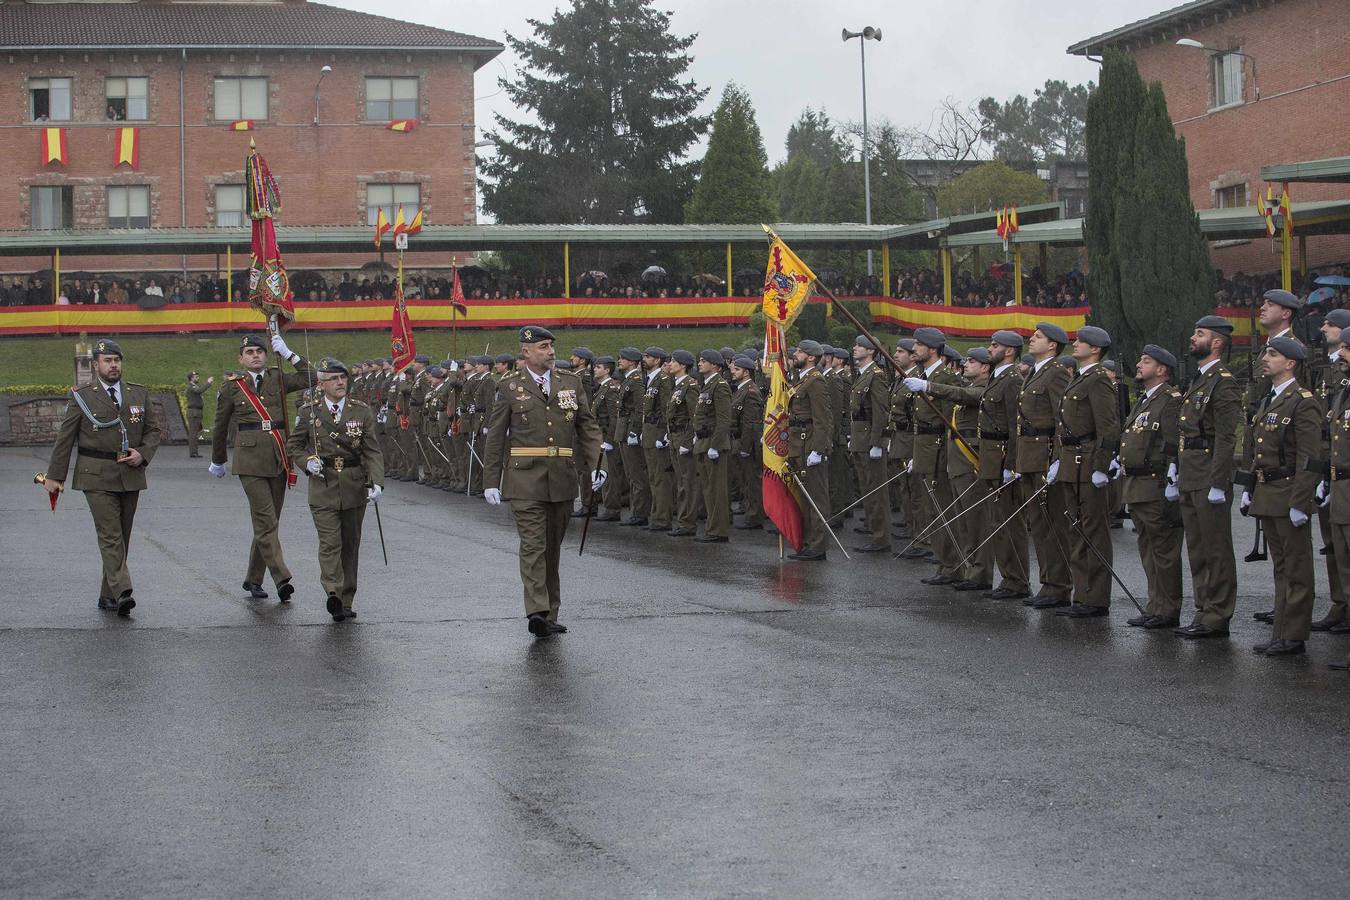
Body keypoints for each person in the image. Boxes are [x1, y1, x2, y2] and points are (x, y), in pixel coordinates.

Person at [482, 326, 605, 637]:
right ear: (526, 352)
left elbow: (587, 427)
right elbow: (496, 437)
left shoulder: (571, 382)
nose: (550, 352)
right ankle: (536, 610)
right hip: (525, 479)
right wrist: (490, 480)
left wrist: (597, 465)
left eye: (551, 346)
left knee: (552, 547)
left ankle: (550, 611)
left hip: (562, 476)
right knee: (534, 545)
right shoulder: (509, 387)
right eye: (543, 347)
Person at [43, 338, 162, 616]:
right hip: (95, 474)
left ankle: (108, 595)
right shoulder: (82, 395)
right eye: (107, 361)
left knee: (122, 536)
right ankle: (123, 591)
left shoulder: (137, 393)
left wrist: (142, 454)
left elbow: (153, 431)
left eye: (117, 360)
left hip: (130, 473)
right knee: (110, 535)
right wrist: (55, 476)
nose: (113, 365)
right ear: (95, 365)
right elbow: (65, 438)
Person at [207, 332, 312, 603]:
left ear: (266, 355)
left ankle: (253, 579)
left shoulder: (277, 378)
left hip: (278, 457)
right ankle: (281, 578)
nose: (255, 355)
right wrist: (218, 459)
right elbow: (220, 427)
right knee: (266, 520)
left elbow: (311, 378)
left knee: (269, 523)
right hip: (250, 461)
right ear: (240, 359)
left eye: (259, 351)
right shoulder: (232, 387)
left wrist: (290, 354)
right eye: (249, 352)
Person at [1236, 336, 1323, 656]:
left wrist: (1302, 501)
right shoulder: (1270, 399)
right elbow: (1258, 452)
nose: (1264, 358)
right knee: (1281, 567)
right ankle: (1282, 631)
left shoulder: (1303, 401)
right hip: (1269, 492)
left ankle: (1295, 634)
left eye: (1272, 354)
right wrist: (1250, 488)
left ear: (1290, 363)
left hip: (1289, 493)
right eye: (1265, 353)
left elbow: (1309, 458)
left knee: (1297, 567)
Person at [286, 358, 384, 622]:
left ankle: (347, 598)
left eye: (343, 377)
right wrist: (307, 462)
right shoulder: (309, 412)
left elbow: (372, 450)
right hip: (323, 484)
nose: (340, 383)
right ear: (322, 384)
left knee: (350, 544)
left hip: (354, 484)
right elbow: (294, 445)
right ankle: (333, 592)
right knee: (330, 543)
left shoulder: (360, 411)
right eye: (334, 379)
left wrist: (377, 481)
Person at [1172, 316, 1243, 639]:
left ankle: (1218, 614)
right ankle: (1203, 609)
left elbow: (1226, 438)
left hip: (1208, 474)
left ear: (1216, 343)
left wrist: (1219, 482)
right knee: (1198, 548)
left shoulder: (1222, 382)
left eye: (1199, 334)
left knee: (1216, 549)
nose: (1192, 337)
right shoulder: (1200, 379)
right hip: (1191, 472)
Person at [1048, 325, 1120, 618]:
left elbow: (1108, 426)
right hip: (1071, 460)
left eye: (1081, 342)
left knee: (1093, 530)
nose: (1075, 344)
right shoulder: (1080, 377)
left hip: (1088, 461)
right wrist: (1057, 460)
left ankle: (1097, 597)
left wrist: (1102, 466)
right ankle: (1082, 594)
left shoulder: (1098, 379)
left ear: (1096, 349)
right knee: (1076, 528)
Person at [1120, 345, 1184, 629]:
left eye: (1146, 361)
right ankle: (1155, 604)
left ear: (1161, 370)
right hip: (1137, 484)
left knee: (1164, 550)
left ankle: (1168, 609)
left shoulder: (1169, 400)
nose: (1138, 364)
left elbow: (1172, 442)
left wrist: (1172, 475)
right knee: (1148, 548)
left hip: (1156, 484)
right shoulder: (1145, 400)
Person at [1016, 323, 1074, 608]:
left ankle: (1059, 585)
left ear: (1052, 345)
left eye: (1038, 337)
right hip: (1029, 456)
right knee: (1038, 524)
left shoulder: (1056, 374)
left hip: (1044, 455)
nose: (1031, 339)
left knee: (1052, 524)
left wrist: (1058, 459)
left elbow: (1061, 419)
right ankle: (1048, 583)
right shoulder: (1037, 373)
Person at [786, 340, 833, 561]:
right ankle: (808, 540)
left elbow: (823, 419)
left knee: (816, 497)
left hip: (809, 442)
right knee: (804, 496)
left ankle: (818, 545)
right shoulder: (801, 379)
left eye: (799, 352)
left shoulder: (816, 381)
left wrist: (819, 449)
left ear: (811, 357)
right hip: (798, 442)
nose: (795, 355)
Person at [848, 336, 892, 553]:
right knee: (867, 489)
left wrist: (878, 442)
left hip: (869, 440)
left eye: (859, 346)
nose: (854, 349)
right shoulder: (863, 374)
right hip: (859, 439)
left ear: (871, 351)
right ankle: (875, 532)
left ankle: (881, 537)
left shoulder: (876, 376)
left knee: (876, 491)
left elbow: (881, 412)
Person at [691, 349, 732, 543]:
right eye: (699, 361)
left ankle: (718, 530)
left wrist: (715, 445)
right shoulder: (707, 385)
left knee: (716, 490)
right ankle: (712, 527)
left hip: (713, 444)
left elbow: (724, 420)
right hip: (704, 442)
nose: (699, 364)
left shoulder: (720, 386)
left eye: (704, 361)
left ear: (715, 365)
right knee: (708, 488)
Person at [665, 350, 701, 537]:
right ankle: (683, 519)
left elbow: (694, 415)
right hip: (674, 437)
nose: (670, 364)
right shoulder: (677, 385)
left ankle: (687, 522)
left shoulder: (690, 386)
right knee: (680, 481)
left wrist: (688, 441)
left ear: (683, 366)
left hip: (683, 438)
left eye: (674, 361)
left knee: (687, 482)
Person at [616, 347, 651, 527]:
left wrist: (634, 431)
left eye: (623, 358)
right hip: (623, 430)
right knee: (630, 474)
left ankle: (640, 512)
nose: (619, 360)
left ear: (632, 362)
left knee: (636, 474)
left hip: (629, 429)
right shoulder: (629, 379)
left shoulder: (636, 381)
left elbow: (639, 409)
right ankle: (636, 510)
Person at [729, 355, 764, 530]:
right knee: (745, 480)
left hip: (747, 443)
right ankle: (750, 511)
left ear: (746, 372)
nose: (732, 372)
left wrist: (745, 447)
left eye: (736, 369)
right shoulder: (740, 390)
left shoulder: (750, 391)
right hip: (738, 440)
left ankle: (754, 516)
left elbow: (751, 423)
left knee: (752, 481)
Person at [185, 370, 213, 458]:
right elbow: (200, 390)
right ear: (191, 378)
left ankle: (194, 452)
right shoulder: (191, 387)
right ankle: (193, 452)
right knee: (193, 433)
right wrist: (208, 383)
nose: (198, 378)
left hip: (196, 412)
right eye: (196, 377)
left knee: (195, 433)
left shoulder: (194, 386)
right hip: (194, 412)